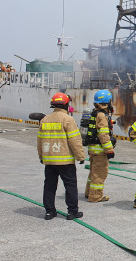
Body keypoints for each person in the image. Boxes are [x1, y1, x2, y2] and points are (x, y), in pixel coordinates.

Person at [37, 92, 86, 220]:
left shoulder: (44, 119)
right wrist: (80, 157)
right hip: (65, 161)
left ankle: (49, 212)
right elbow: (74, 140)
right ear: (66, 105)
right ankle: (72, 212)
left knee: (49, 186)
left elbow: (40, 141)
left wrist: (41, 156)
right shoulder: (68, 119)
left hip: (49, 161)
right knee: (70, 185)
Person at [84, 90, 116, 203]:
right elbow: (103, 134)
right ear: (107, 102)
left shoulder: (94, 113)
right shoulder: (102, 116)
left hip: (92, 149)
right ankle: (95, 196)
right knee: (99, 173)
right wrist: (109, 150)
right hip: (100, 151)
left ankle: (89, 192)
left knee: (93, 172)